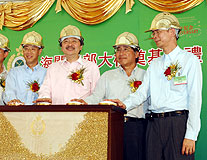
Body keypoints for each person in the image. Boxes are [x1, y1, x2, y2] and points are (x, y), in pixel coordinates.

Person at [113, 12, 202, 160]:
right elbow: (142, 93)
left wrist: (191, 135)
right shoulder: (154, 64)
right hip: (154, 125)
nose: (154, 36)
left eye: (158, 32)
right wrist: (125, 104)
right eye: (153, 33)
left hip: (178, 124)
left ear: (172, 32)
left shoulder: (189, 60)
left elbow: (195, 99)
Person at [73, 32, 147, 160]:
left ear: (136, 54)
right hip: (112, 127)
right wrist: (84, 102)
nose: (121, 53)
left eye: (126, 49)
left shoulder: (146, 75)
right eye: (118, 50)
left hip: (137, 128)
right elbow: (96, 97)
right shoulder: (107, 76)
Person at [34, 25, 100, 104]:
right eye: (66, 41)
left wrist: (86, 102)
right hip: (57, 114)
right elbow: (45, 88)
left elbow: (97, 94)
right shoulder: (53, 68)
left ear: (81, 46)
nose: (70, 44)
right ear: (61, 47)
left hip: (82, 114)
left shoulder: (91, 67)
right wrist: (44, 98)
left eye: (74, 41)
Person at [4, 31, 47, 105]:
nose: (29, 52)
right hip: (18, 113)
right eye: (26, 49)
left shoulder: (46, 73)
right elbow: (9, 92)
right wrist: (13, 100)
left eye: (33, 49)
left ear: (39, 51)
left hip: (40, 114)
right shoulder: (14, 72)